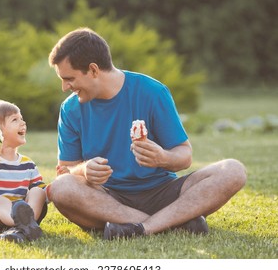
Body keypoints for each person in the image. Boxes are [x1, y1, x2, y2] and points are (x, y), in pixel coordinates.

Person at [48, 27, 247, 240]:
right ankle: (174, 221)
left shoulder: (152, 91)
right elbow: (66, 171)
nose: (64, 87)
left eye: (69, 78)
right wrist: (84, 170)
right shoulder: (70, 109)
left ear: (94, 70)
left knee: (233, 170)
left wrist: (163, 157)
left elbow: (184, 156)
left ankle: (142, 227)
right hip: (106, 200)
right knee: (60, 188)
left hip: (163, 192)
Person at [0, 99, 48, 243]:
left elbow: (42, 191)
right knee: (0, 201)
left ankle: (26, 225)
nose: (23, 123)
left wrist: (53, 188)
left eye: (22, 118)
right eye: (15, 120)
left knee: (38, 192)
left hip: (20, 209)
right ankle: (23, 225)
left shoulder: (27, 164)